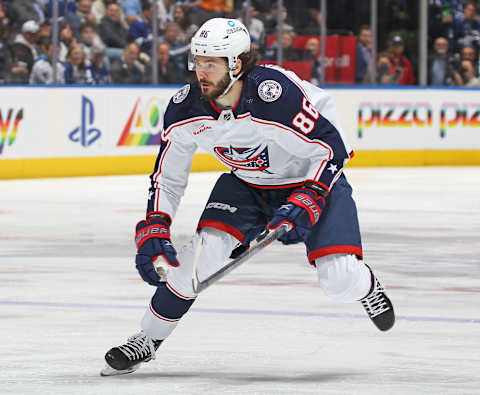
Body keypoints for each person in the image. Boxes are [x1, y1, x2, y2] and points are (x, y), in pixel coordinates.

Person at [100, 17, 395, 377]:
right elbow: (168, 176)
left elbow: (335, 148)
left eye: (212, 63)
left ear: (237, 64)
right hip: (247, 185)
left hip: (308, 180)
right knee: (198, 258)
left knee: (338, 280)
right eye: (198, 61)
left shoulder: (275, 95)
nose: (201, 72)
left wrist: (311, 195)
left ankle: (366, 286)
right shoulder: (185, 108)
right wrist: (155, 227)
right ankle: (147, 338)